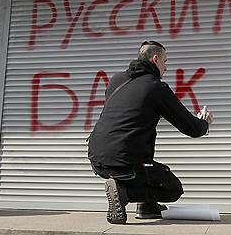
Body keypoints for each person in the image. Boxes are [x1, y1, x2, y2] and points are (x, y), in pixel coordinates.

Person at [87, 41, 214, 224]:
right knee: (172, 189)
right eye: (165, 62)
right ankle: (124, 194)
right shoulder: (156, 87)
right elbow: (192, 129)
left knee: (145, 162)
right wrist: (204, 122)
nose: (166, 68)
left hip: (97, 158)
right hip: (124, 161)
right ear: (155, 59)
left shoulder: (116, 80)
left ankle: (146, 207)